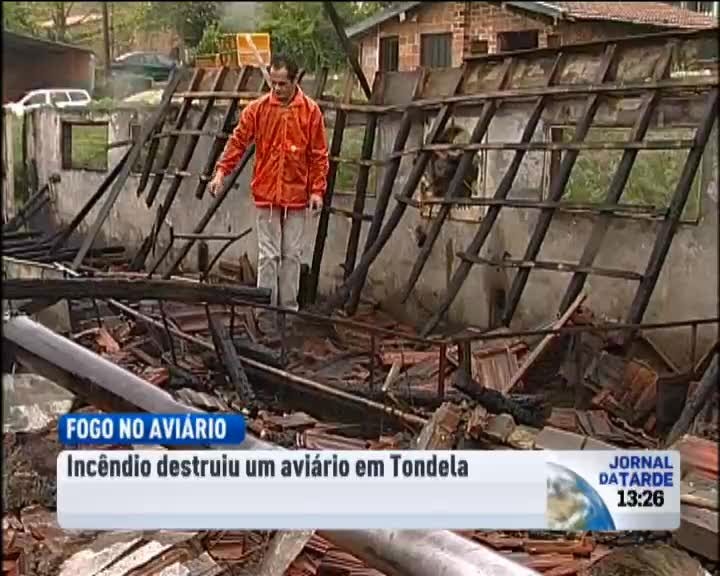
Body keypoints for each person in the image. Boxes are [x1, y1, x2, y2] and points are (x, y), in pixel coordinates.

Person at [209, 55, 329, 324]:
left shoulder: (310, 112)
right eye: (273, 83)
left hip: (296, 197)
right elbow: (238, 141)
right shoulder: (258, 109)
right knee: (268, 256)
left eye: (282, 84)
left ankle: (288, 312)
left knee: (291, 255)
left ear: (295, 81)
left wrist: (316, 191)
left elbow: (319, 155)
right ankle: (265, 313)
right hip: (267, 194)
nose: (277, 89)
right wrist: (220, 173)